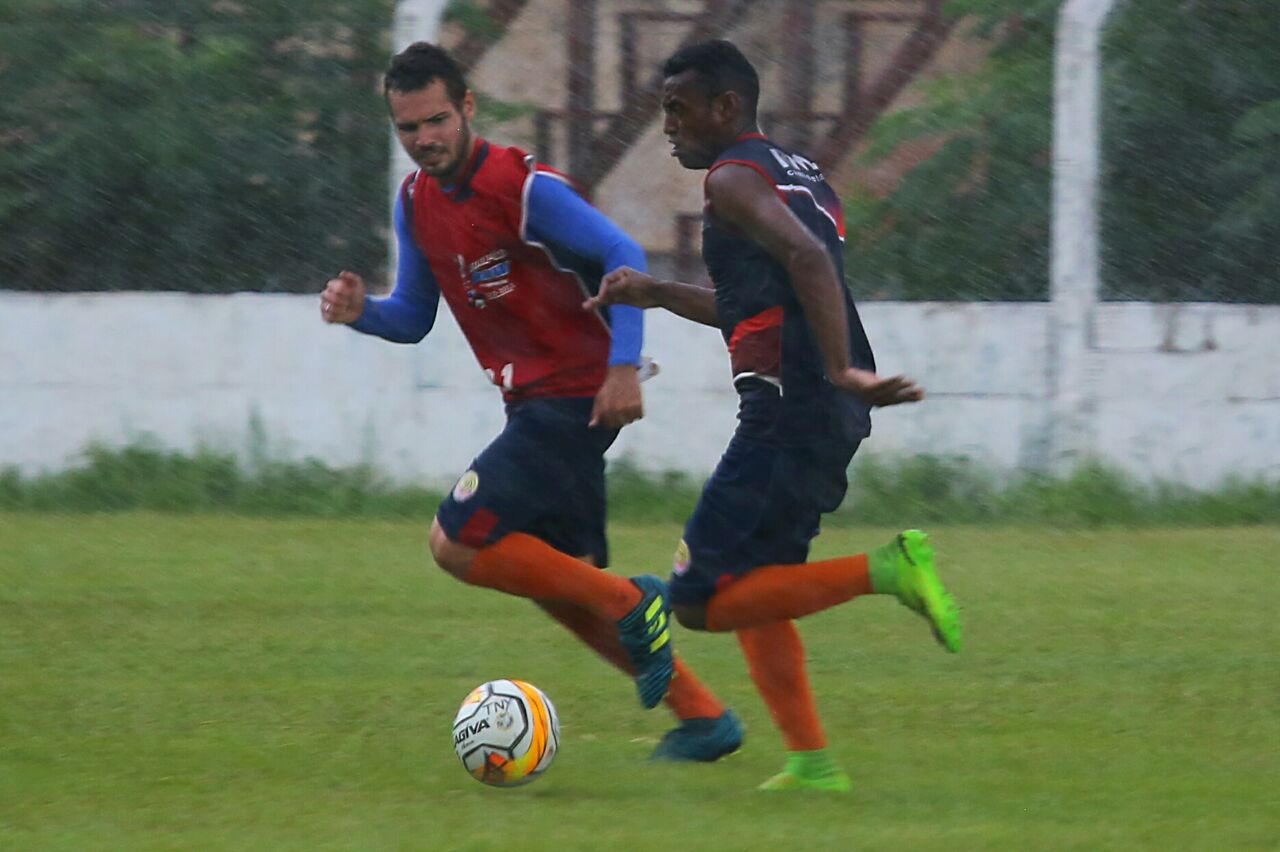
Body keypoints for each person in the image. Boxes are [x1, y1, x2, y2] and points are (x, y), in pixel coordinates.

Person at [320, 41, 741, 761]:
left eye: (437, 120)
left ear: (467, 109)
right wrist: (361, 312)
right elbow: (415, 316)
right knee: (560, 585)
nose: (425, 139)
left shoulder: (522, 187)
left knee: (455, 542)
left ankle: (633, 600)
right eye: (409, 128)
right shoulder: (416, 203)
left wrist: (623, 367)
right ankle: (705, 718)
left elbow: (625, 257)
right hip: (534, 407)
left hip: (575, 398)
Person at [584, 39, 961, 790]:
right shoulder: (801, 174)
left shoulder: (730, 179)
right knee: (760, 586)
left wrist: (839, 368)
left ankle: (887, 571)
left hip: (790, 409)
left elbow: (807, 263)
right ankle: (814, 763)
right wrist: (656, 291)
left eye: (679, 109)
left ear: (727, 107)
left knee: (693, 601)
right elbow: (756, 303)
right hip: (820, 407)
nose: (668, 127)